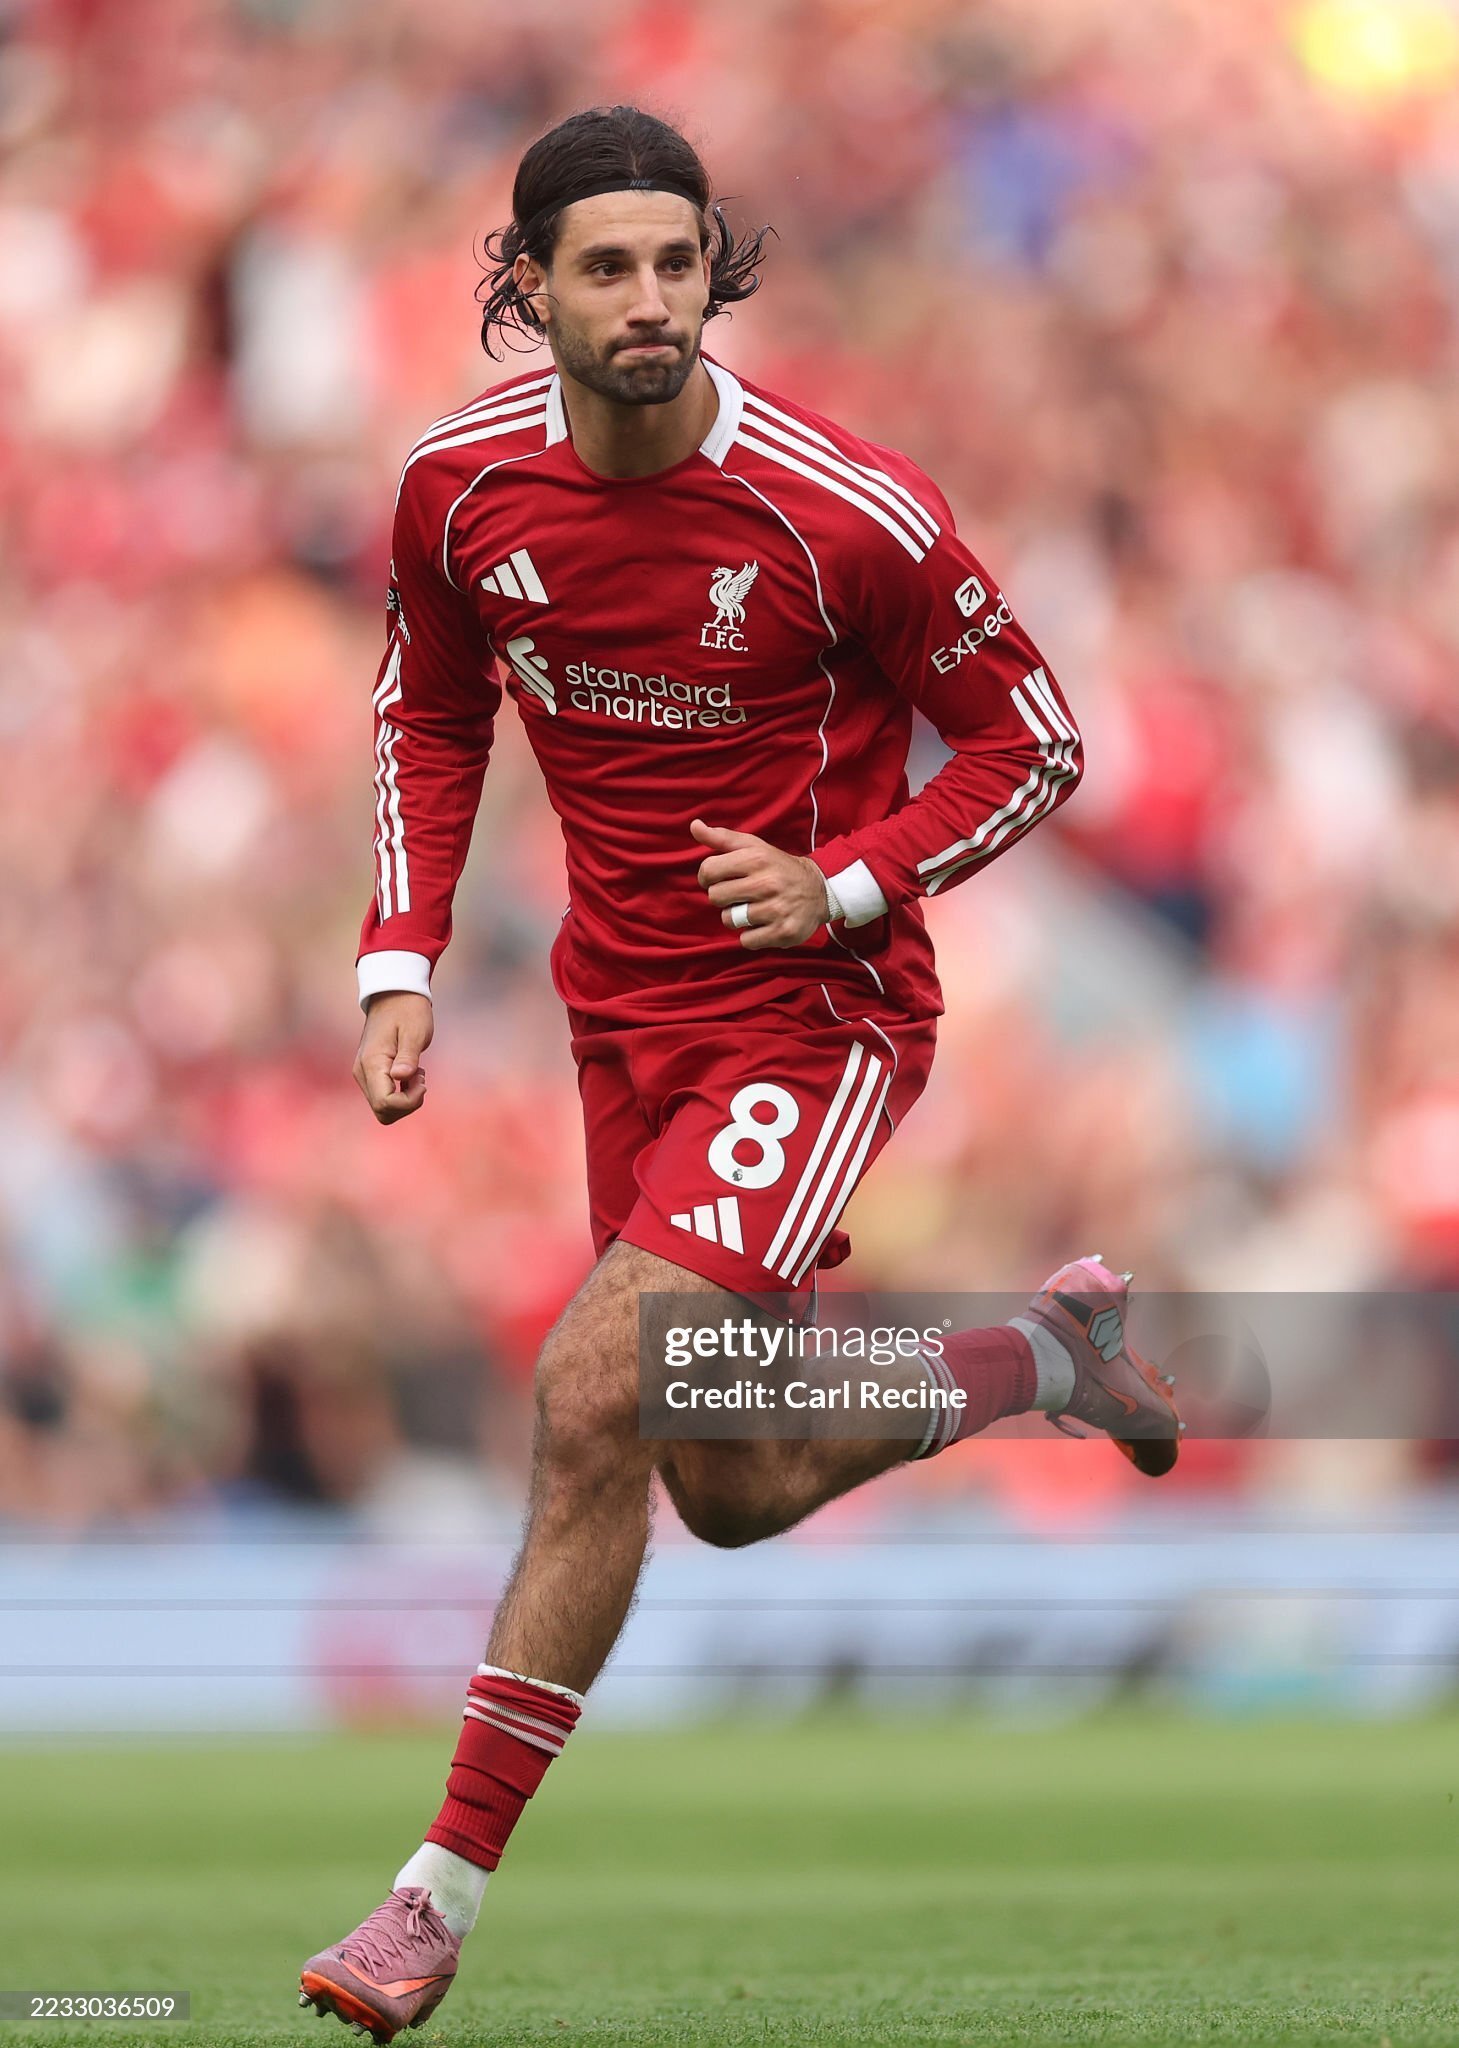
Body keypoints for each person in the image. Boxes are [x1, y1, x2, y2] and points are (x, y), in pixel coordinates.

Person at [298, 104, 1180, 2043]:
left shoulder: (837, 508)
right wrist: (399, 957)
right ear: (528, 287)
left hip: (814, 1016)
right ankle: (1044, 1356)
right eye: (605, 266)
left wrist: (846, 880)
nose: (649, 298)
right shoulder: (457, 488)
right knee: (734, 1479)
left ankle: (429, 1899)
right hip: (621, 1024)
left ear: (716, 272)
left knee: (591, 1390)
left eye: (678, 261)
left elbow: (1032, 742)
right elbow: (427, 705)